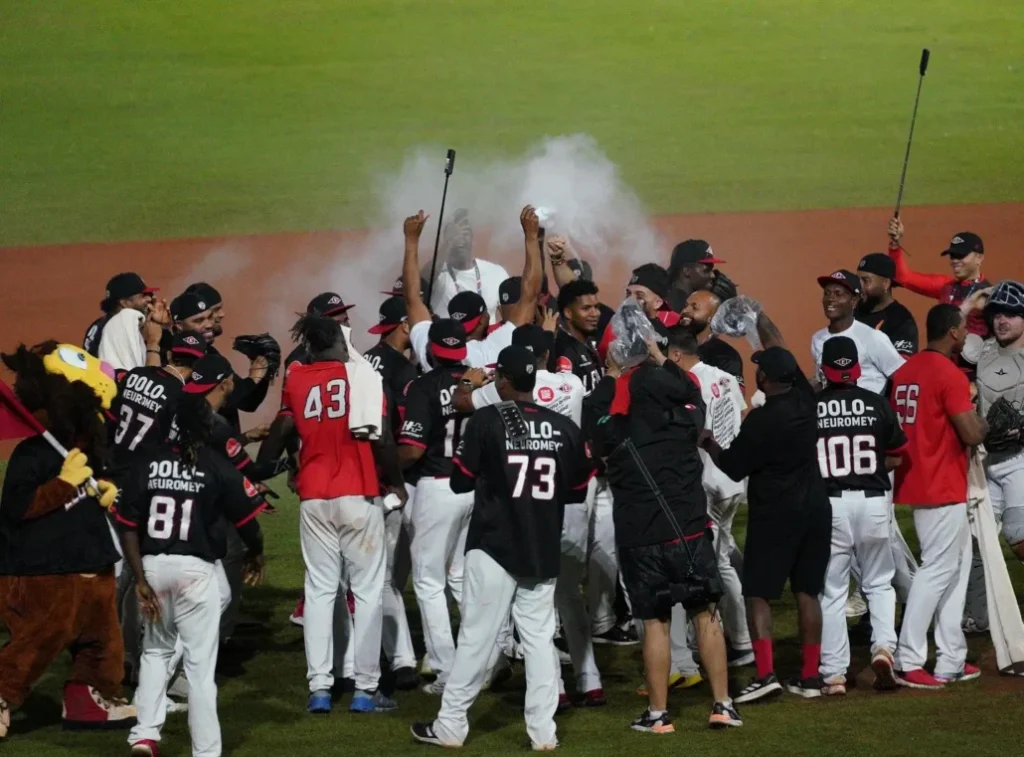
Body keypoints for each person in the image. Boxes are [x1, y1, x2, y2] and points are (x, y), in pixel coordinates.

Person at [410, 346, 592, 749]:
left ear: (503, 381)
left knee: (477, 636)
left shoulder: (488, 419)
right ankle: (544, 734)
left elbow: (459, 481)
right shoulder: (563, 427)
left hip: (494, 543)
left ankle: (451, 725)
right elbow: (577, 491)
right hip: (542, 547)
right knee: (539, 640)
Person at [589, 333, 738, 732]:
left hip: (640, 540)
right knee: (704, 614)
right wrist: (665, 363)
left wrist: (611, 377)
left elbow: (595, 414)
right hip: (688, 533)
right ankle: (722, 704)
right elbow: (694, 394)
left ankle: (658, 715)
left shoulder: (612, 431)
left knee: (654, 623)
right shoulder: (685, 421)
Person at [259, 313, 407, 713]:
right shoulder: (362, 376)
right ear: (340, 344)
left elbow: (281, 432)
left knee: (321, 591)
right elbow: (384, 438)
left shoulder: (297, 379)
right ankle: (365, 688)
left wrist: (267, 466)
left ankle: (320, 687)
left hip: (314, 499)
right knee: (368, 591)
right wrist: (396, 483)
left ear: (309, 346)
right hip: (358, 493)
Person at [455, 324, 601, 706]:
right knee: (569, 596)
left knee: (517, 616)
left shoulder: (494, 400)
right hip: (565, 504)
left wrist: (472, 383)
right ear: (546, 358)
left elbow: (463, 405)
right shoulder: (573, 387)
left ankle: (556, 689)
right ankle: (588, 679)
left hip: (516, 511)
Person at [114, 392, 267, 757]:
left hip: (153, 567)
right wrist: (256, 554)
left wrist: (140, 579)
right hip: (196, 573)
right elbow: (248, 521)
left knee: (154, 651)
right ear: (203, 426)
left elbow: (128, 527)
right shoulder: (215, 464)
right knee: (199, 668)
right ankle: (206, 751)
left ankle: (145, 735)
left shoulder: (147, 463)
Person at [0, 341, 130, 737]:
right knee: (38, 640)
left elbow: (86, 494)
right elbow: (17, 508)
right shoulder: (32, 454)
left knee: (103, 642)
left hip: (89, 560)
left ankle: (89, 699)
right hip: (44, 569)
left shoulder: (85, 448)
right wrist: (62, 484)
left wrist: (100, 490)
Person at [701, 309, 832, 702]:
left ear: (765, 379)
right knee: (808, 592)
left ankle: (766, 674)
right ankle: (810, 678)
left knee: (757, 592)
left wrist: (709, 442)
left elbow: (732, 465)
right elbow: (780, 346)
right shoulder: (806, 402)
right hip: (815, 508)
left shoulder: (760, 421)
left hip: (775, 513)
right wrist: (760, 318)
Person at [890, 304, 988, 689]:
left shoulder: (904, 372)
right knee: (936, 571)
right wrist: (985, 421)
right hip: (942, 484)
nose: (966, 334)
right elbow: (971, 433)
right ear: (951, 332)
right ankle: (909, 658)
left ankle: (951, 658)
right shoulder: (948, 374)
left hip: (917, 479)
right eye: (963, 328)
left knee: (956, 568)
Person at [814, 336, 908, 695]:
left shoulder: (813, 407)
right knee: (879, 583)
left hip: (832, 504)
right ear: (855, 368)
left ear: (824, 369)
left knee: (833, 590)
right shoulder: (877, 403)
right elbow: (898, 455)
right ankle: (884, 648)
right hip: (872, 500)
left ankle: (835, 674)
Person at [664, 326, 753, 667]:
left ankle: (726, 643)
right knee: (722, 560)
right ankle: (739, 640)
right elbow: (738, 417)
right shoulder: (726, 377)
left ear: (676, 355)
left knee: (708, 567)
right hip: (731, 480)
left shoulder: (689, 383)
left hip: (708, 485)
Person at [397, 319, 475, 695]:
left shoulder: (423, 386)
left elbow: (411, 450)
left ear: (430, 350)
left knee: (429, 581)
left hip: (436, 487)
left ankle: (446, 671)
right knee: (460, 575)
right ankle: (488, 656)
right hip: (473, 486)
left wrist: (383, 464)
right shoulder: (482, 381)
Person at [404, 207, 542, 370]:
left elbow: (412, 298)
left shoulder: (430, 352)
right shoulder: (489, 351)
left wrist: (411, 241)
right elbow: (529, 296)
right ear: (483, 320)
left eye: (466, 233)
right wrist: (532, 238)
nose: (461, 239)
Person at [964, 281, 1024, 631]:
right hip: (985, 462)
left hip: (1019, 461)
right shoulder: (982, 349)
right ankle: (977, 616)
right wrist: (970, 303)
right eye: (996, 313)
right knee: (975, 540)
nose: (1002, 320)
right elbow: (945, 336)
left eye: (1011, 314)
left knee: (1018, 538)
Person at [170, 292, 271, 433]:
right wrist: (255, 377)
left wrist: (265, 372)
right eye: (198, 321)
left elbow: (248, 402)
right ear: (179, 326)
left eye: (210, 317)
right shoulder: (173, 358)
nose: (209, 325)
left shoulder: (211, 353)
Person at [886, 217, 991, 342]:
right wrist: (895, 244)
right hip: (943, 359)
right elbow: (903, 277)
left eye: (961, 255)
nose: (955, 261)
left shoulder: (990, 294)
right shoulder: (946, 287)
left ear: (979, 258)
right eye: (952, 255)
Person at [811, 270, 905, 393]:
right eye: (827, 293)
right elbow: (822, 381)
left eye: (838, 294)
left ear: (854, 301)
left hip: (868, 409)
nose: (830, 299)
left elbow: (902, 376)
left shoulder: (873, 337)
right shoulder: (817, 338)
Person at [428, 208, 510, 322]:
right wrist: (449, 241)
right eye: (455, 235)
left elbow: (514, 314)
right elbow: (418, 284)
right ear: (445, 239)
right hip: (449, 339)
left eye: (465, 233)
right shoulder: (436, 275)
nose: (460, 239)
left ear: (472, 238)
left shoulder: (496, 273)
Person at [855, 253, 919, 356]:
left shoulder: (901, 321)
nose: (859, 286)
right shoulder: (854, 310)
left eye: (866, 281)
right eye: (858, 280)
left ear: (886, 283)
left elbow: (902, 366)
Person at [84, 273, 160, 357]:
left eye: (149, 295)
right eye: (143, 295)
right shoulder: (117, 330)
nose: (149, 299)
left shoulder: (102, 323)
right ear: (124, 303)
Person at [679, 290, 745, 387]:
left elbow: (734, 395)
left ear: (712, 318)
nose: (685, 311)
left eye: (694, 307)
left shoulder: (726, 356)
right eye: (685, 305)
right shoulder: (670, 340)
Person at [284, 292, 356, 370]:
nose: (344, 326)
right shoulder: (299, 361)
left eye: (346, 320)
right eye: (336, 323)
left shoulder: (348, 350)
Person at [665, 239, 738, 311]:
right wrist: (729, 307)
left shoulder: (669, 296)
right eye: (706, 270)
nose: (713, 275)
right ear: (687, 271)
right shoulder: (682, 308)